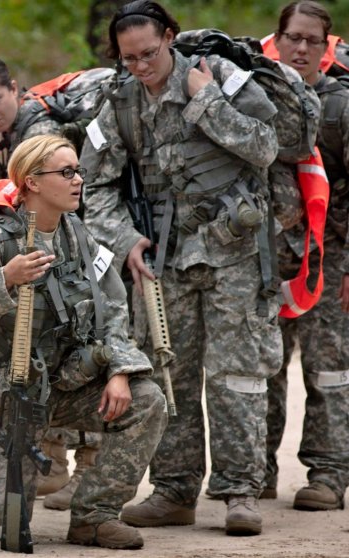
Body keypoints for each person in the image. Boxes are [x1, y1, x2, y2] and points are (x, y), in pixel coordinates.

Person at [80, 0, 281, 536]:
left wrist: (205, 102)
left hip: (233, 249)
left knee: (236, 374)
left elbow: (265, 146)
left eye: (149, 53)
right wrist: (124, 240)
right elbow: (93, 185)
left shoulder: (217, 77)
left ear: (170, 37)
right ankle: (173, 490)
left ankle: (240, 491)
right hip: (163, 256)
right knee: (169, 372)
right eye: (129, 59)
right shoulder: (117, 102)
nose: (141, 66)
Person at [0, 134, 166, 549]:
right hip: (0, 398)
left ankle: (94, 517)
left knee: (147, 398)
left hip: (62, 384)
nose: (78, 180)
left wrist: (120, 370)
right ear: (31, 182)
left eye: (78, 171)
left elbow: (115, 309)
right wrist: (4, 281)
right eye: (66, 173)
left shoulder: (79, 237)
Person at [0, 54, 105, 508]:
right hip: (3, 360)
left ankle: (78, 474)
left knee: (75, 330)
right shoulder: (7, 140)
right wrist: (4, 275)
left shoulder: (39, 136)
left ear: (17, 90)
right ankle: (54, 464)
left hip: (76, 239)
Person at [265, 0, 349, 510]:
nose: (300, 48)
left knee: (329, 369)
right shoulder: (258, 100)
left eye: (311, 40)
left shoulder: (341, 108)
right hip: (270, 256)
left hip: (331, 255)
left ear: (325, 46)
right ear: (277, 40)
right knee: (264, 368)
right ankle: (256, 472)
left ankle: (329, 475)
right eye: (292, 37)